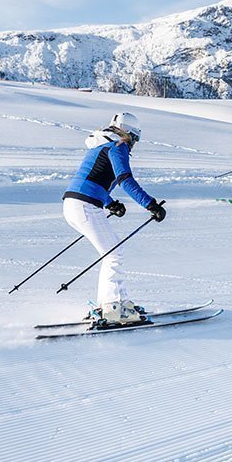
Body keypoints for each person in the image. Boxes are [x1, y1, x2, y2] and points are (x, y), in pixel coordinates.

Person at [63, 112, 167, 325]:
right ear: (129, 134)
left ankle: (117, 302)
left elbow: (93, 178)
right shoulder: (118, 146)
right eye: (135, 140)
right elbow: (125, 179)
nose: (133, 145)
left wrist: (110, 203)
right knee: (114, 253)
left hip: (73, 204)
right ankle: (112, 307)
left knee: (111, 252)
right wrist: (150, 204)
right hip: (85, 206)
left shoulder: (101, 144)